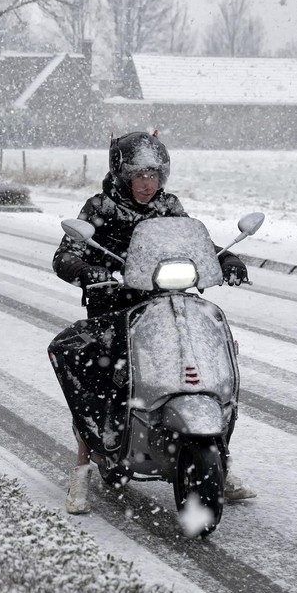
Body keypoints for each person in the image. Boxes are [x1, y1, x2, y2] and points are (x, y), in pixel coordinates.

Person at [52, 131, 256, 514]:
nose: (147, 184)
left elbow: (195, 243)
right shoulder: (101, 206)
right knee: (97, 373)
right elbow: (66, 254)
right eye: (139, 175)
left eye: (154, 175)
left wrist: (224, 259)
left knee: (213, 359)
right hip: (117, 307)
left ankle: (217, 465)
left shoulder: (169, 205)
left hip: (168, 303)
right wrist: (89, 270)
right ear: (121, 173)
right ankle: (82, 468)